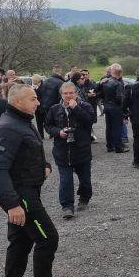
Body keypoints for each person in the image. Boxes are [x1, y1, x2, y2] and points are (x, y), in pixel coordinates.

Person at [0, 84, 72, 277]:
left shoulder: (23, 121)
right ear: (17, 102)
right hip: (21, 196)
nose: (38, 102)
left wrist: (44, 165)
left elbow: (27, 153)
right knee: (47, 238)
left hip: (28, 190)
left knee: (21, 242)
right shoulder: (7, 127)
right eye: (33, 99)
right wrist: (12, 204)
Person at [45, 82, 95, 218]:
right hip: (62, 151)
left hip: (81, 150)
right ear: (61, 94)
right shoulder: (54, 109)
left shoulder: (85, 106)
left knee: (85, 179)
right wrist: (58, 132)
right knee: (66, 180)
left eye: (71, 93)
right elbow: (48, 126)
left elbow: (90, 121)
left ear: (76, 93)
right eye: (65, 93)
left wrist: (76, 109)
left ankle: (84, 197)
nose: (68, 96)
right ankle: (67, 206)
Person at [100, 63, 128, 153]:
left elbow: (101, 93)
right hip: (115, 107)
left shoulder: (106, 81)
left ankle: (109, 146)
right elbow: (120, 98)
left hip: (107, 106)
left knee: (109, 127)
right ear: (120, 72)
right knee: (117, 127)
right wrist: (122, 108)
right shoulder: (118, 83)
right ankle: (118, 147)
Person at [38, 66, 65, 139]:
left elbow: (40, 93)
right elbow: (61, 96)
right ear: (60, 71)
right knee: (55, 120)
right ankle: (53, 133)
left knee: (47, 121)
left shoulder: (45, 81)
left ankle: (50, 133)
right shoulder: (61, 82)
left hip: (44, 105)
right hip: (54, 105)